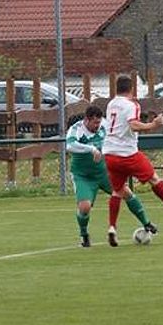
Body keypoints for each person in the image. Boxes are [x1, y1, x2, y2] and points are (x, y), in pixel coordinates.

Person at [102, 75, 163, 246]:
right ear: (131, 88)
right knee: (154, 179)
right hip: (128, 154)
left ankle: (112, 227)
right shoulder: (131, 105)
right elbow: (133, 125)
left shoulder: (111, 104)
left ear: (117, 89)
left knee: (117, 191)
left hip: (110, 154)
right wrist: (154, 124)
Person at [67, 105, 156, 247]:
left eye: (99, 122)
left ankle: (147, 223)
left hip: (105, 172)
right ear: (86, 120)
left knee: (126, 193)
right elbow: (70, 145)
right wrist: (91, 149)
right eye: (95, 123)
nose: (97, 126)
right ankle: (84, 235)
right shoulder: (76, 129)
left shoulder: (105, 124)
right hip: (84, 176)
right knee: (84, 207)